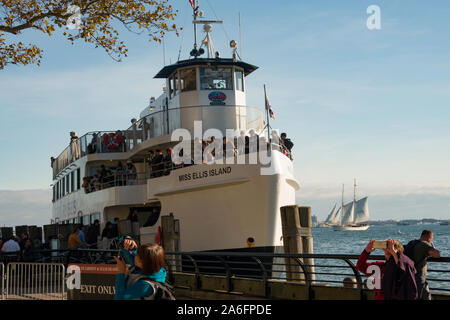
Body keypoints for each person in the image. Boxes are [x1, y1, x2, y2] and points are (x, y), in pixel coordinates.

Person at [405, 230, 441, 300]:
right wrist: (432, 247)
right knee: (426, 297)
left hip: (409, 276)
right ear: (429, 238)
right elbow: (437, 254)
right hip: (419, 277)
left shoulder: (412, 243)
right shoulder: (424, 244)